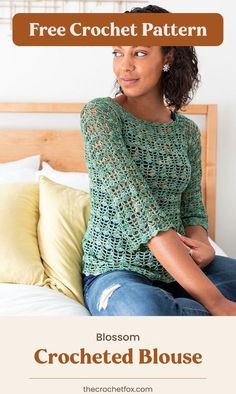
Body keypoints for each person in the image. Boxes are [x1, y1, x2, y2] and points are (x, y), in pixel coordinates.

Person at [80, 4, 236, 316]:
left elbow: (192, 208)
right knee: (145, 312)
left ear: (168, 56)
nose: (124, 66)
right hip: (117, 271)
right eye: (117, 52)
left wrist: (202, 244)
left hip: (185, 268)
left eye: (138, 53)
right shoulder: (101, 115)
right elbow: (141, 214)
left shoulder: (187, 132)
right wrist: (218, 304)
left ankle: (184, 311)